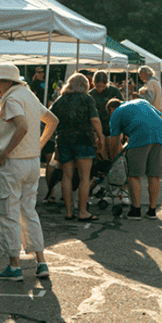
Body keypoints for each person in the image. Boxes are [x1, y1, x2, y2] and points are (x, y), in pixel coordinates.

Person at [0, 62, 58, 281]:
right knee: (29, 211)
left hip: (13, 163)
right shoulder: (29, 95)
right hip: (31, 162)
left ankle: (14, 266)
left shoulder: (11, 99)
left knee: (8, 212)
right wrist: (39, 145)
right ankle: (41, 262)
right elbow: (52, 120)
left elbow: (23, 126)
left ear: (8, 82)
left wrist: (5, 152)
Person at [50, 72, 102, 221]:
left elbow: (50, 118)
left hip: (64, 141)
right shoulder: (87, 99)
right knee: (84, 177)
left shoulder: (60, 100)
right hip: (84, 140)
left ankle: (68, 211)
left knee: (66, 176)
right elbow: (95, 120)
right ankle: (83, 211)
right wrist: (101, 139)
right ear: (85, 86)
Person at [108, 98, 162, 220]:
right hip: (159, 134)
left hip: (140, 135)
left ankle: (136, 210)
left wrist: (113, 159)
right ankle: (152, 210)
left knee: (134, 175)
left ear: (111, 109)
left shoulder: (116, 113)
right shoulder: (141, 101)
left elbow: (115, 141)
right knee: (154, 174)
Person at [90, 71, 124, 146]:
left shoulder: (114, 91)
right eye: (98, 86)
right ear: (94, 83)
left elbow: (122, 108)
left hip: (112, 125)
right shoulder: (91, 94)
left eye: (103, 86)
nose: (100, 89)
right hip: (97, 127)